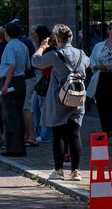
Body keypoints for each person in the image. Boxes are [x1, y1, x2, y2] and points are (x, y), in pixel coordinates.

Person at [33, 24, 88, 181]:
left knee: (59, 135)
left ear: (56, 39)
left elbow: (36, 61)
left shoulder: (56, 55)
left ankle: (58, 171)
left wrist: (42, 47)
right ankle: (76, 171)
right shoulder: (81, 54)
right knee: (75, 134)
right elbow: (88, 64)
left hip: (60, 99)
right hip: (78, 97)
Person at [0, 21, 31, 157]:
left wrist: (6, 84)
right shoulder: (23, 46)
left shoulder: (10, 46)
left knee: (10, 115)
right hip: (21, 81)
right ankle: (19, 145)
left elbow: (11, 65)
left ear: (7, 34)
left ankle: (13, 147)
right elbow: (28, 66)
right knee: (18, 113)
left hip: (10, 81)